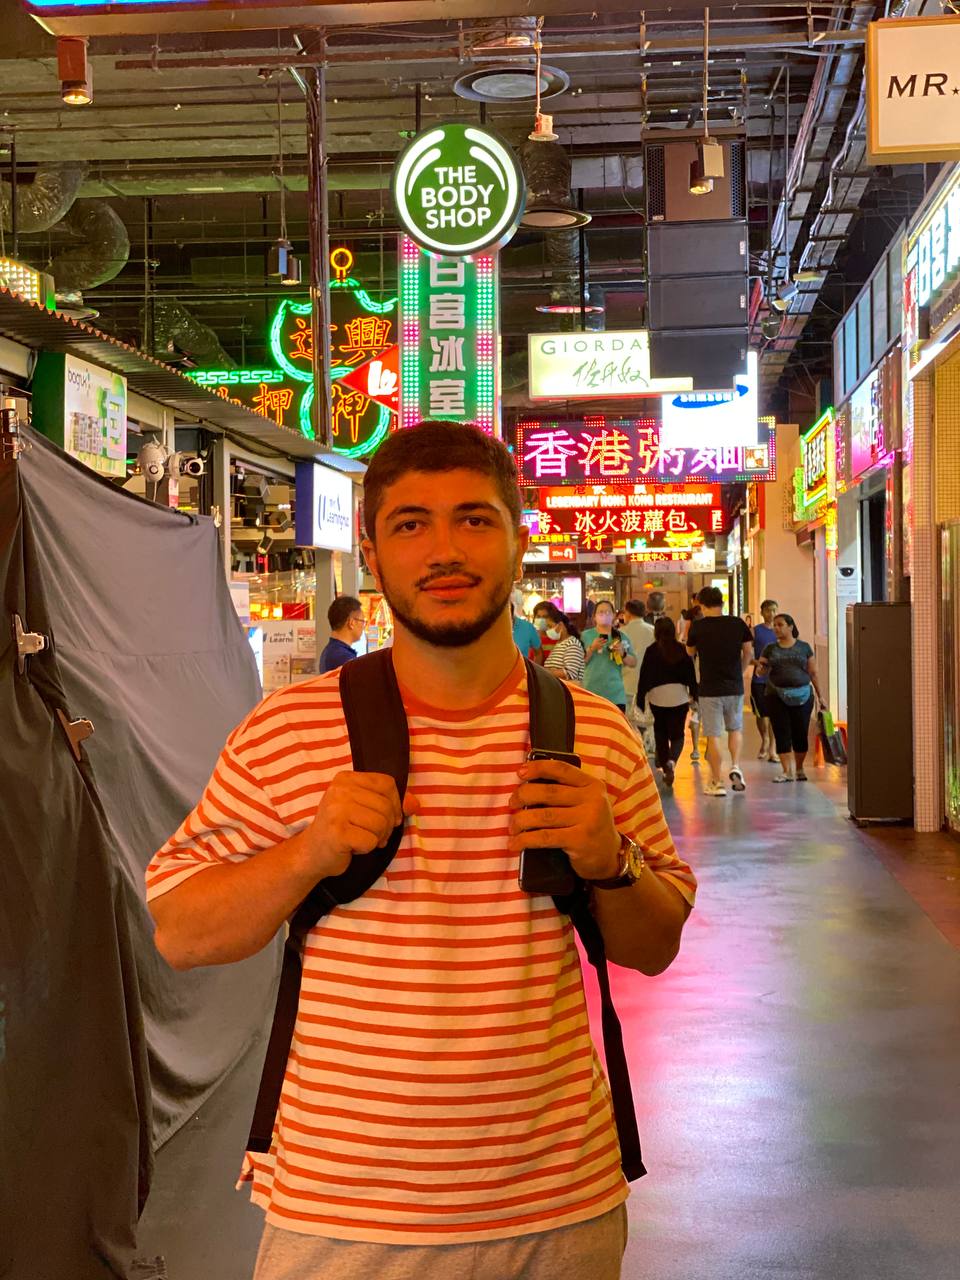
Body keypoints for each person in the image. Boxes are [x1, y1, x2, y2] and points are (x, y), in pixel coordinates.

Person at [146, 421, 696, 1280]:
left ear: (518, 540)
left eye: (475, 519)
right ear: (371, 554)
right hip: (342, 1216)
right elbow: (181, 933)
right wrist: (308, 852)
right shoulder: (286, 732)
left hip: (559, 1207)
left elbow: (654, 947)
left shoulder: (595, 736)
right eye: (410, 524)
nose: (444, 550)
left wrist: (609, 858)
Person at [685, 585, 753, 796]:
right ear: (721, 603)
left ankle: (717, 781)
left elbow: (689, 652)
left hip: (709, 687)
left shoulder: (698, 627)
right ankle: (735, 766)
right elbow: (748, 652)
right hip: (734, 686)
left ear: (702, 605)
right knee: (735, 729)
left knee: (713, 735)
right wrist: (740, 671)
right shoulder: (737, 623)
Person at [756, 613, 824, 783]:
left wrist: (820, 696)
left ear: (790, 627)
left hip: (803, 696)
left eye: (780, 625)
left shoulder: (804, 647)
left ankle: (799, 769)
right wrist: (761, 669)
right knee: (781, 732)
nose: (776, 628)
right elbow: (761, 669)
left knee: (800, 733)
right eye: (775, 625)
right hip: (776, 696)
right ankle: (786, 771)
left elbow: (813, 673)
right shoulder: (770, 648)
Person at [637, 617, 698, 789]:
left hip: (658, 697)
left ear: (656, 632)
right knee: (677, 735)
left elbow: (644, 675)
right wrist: (694, 694)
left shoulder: (652, 650)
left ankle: (665, 768)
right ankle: (672, 761)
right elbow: (690, 674)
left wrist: (641, 697)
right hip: (679, 697)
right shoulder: (681, 649)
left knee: (661, 733)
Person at [582, 600, 638, 712]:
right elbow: (578, 662)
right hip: (590, 692)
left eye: (608, 612)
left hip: (615, 695)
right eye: (601, 612)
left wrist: (623, 654)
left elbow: (633, 662)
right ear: (594, 616)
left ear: (613, 616)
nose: (604, 615)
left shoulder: (621, 636)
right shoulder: (585, 636)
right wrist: (591, 648)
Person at [750, 599, 779, 762]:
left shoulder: (780, 630)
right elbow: (747, 654)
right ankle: (765, 739)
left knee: (775, 713)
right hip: (759, 678)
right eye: (768, 610)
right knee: (761, 712)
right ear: (762, 612)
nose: (771, 614)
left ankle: (773, 749)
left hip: (776, 678)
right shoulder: (755, 631)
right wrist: (757, 663)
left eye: (774, 610)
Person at [620, 599, 655, 720]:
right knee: (646, 723)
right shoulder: (653, 630)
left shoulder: (621, 632)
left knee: (627, 722)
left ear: (628, 613)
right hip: (649, 684)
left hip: (626, 683)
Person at [540, 602, 586, 684]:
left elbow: (569, 673)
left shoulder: (572, 644)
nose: (548, 631)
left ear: (560, 625)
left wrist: (544, 672)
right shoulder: (559, 644)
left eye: (550, 626)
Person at [318, 595, 364, 673]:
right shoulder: (345, 659)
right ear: (352, 623)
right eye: (362, 621)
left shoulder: (329, 651)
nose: (363, 626)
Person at [532, 598, 559, 664]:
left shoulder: (558, 640)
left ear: (552, 619)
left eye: (545, 617)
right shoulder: (530, 638)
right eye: (538, 616)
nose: (541, 620)